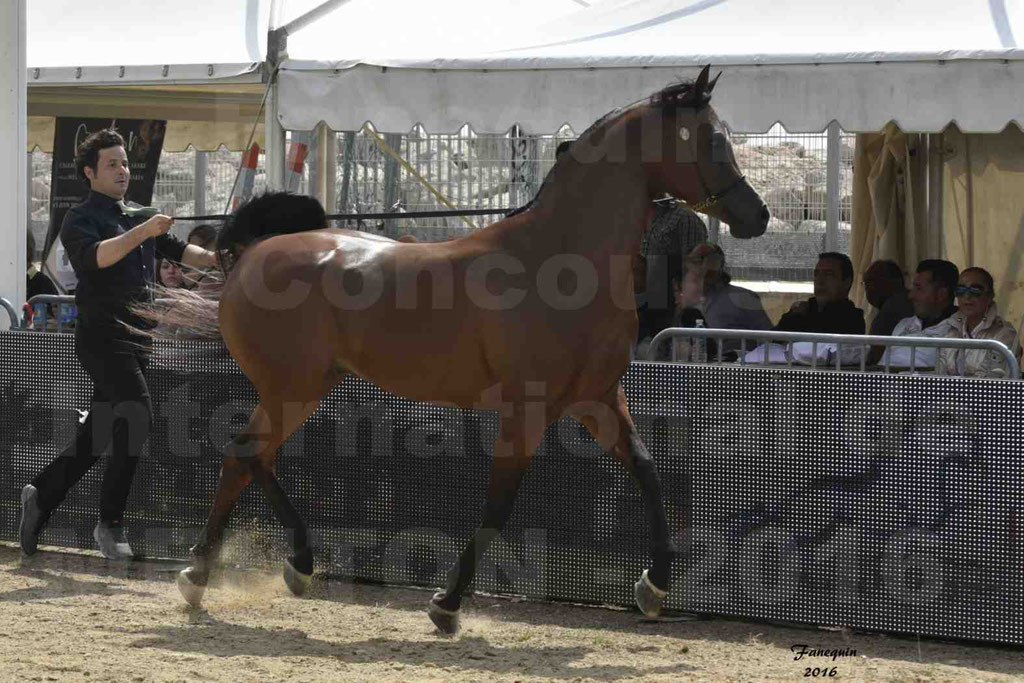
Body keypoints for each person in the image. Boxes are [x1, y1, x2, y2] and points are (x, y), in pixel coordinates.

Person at [19, 129, 219, 560]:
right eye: (112, 164)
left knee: (99, 434)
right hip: (101, 337)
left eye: (125, 162)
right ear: (90, 173)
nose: (123, 170)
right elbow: (97, 258)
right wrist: (143, 229)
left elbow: (183, 252)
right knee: (137, 414)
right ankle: (109, 524)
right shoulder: (81, 219)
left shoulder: (137, 214)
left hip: (137, 337)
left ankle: (41, 494)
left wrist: (227, 257)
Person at [686, 242, 772, 355]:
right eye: (698, 261)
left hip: (737, 367)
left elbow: (769, 338)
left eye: (709, 260)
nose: (703, 266)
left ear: (720, 264)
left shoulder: (744, 297)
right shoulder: (684, 300)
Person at [936, 267, 1021, 378]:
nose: (967, 296)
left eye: (975, 291)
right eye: (961, 291)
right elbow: (939, 377)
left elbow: (992, 384)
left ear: (990, 296)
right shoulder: (950, 328)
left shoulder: (1005, 335)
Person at [881, 259, 960, 368]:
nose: (911, 295)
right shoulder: (904, 324)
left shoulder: (959, 330)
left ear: (941, 294)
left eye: (919, 288)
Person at [775, 252, 865, 334]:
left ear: (846, 282)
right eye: (816, 274)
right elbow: (772, 342)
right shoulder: (801, 311)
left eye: (829, 274)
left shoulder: (853, 319)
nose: (820, 281)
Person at [862, 259, 913, 363]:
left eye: (872, 281)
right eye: (866, 283)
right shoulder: (899, 303)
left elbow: (875, 355)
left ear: (894, 281)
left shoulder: (893, 309)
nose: (869, 289)